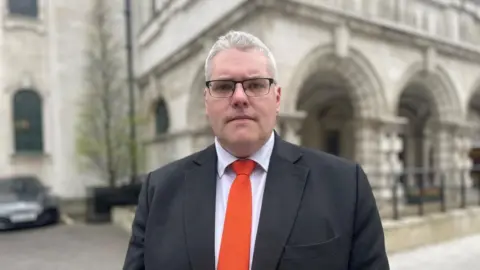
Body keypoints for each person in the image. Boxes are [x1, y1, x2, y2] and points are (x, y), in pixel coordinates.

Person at [123, 30, 390, 270]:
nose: (239, 98)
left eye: (255, 85)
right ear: (206, 101)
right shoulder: (159, 190)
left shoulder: (345, 185)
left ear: (276, 98)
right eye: (224, 86)